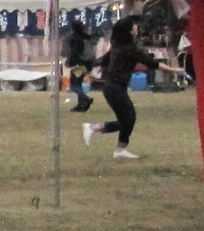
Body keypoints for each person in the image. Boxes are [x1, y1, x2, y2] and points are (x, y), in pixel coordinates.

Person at [82, 17, 181, 160]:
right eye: (134, 25)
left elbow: (103, 60)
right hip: (115, 87)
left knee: (127, 119)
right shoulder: (129, 49)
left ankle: (120, 149)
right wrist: (173, 70)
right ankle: (94, 128)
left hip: (113, 87)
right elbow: (152, 63)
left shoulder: (117, 46)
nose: (137, 27)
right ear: (129, 30)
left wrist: (88, 66)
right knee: (127, 120)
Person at [64, 18, 97, 113]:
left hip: (79, 64)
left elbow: (75, 52)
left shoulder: (75, 38)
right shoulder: (85, 36)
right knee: (78, 83)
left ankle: (85, 99)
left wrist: (71, 63)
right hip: (87, 64)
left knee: (74, 85)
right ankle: (81, 104)